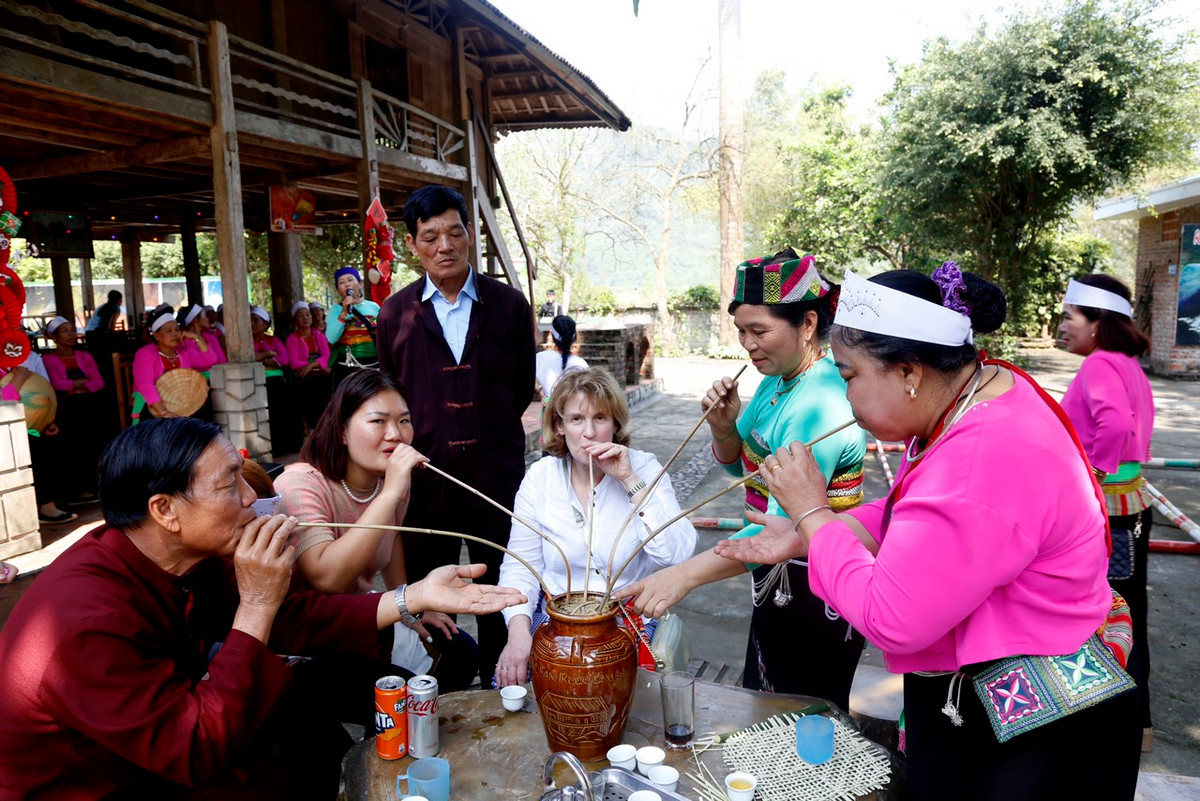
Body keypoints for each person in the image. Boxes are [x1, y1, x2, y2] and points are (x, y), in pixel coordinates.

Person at [713, 265, 1141, 800]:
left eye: (849, 377)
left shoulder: (977, 459)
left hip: (1032, 732)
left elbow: (893, 619)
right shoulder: (976, 392)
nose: (846, 399)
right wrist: (809, 535)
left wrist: (815, 517)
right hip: (1016, 691)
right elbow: (906, 514)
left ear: (909, 372)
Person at [0, 417, 524, 800]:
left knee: (306, 718)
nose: (252, 501)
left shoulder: (188, 555)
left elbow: (290, 618)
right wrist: (255, 603)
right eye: (230, 485)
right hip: (101, 783)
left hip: (176, 732)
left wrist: (413, 597)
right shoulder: (81, 620)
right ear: (165, 510)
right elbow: (190, 749)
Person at [618, 249, 866, 706]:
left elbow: (779, 529)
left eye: (760, 331)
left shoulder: (822, 402)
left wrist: (685, 576)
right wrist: (724, 425)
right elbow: (741, 470)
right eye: (741, 332)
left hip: (814, 585)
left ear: (807, 324)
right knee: (765, 701)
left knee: (799, 713)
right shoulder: (779, 378)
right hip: (773, 575)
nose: (748, 345)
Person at [376, 184, 536, 684]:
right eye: (430, 237)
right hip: (426, 482)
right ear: (413, 245)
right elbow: (391, 396)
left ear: (470, 234)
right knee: (432, 594)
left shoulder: (508, 305)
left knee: (500, 584)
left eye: (454, 232)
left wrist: (485, 431)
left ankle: (500, 684)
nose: (444, 246)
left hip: (496, 476)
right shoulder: (396, 313)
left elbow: (519, 390)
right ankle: (443, 688)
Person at [275, 370, 480, 690]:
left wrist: (410, 606)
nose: (396, 434)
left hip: (359, 609)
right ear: (341, 430)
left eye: (404, 420)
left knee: (460, 650)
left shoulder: (390, 482)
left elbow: (391, 536)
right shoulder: (299, 484)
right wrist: (390, 494)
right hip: (306, 631)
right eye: (378, 421)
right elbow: (327, 578)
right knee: (402, 687)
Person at [495, 368, 697, 688]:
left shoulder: (644, 467)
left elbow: (677, 552)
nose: (589, 432)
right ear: (559, 426)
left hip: (628, 618)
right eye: (576, 419)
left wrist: (630, 481)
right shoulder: (541, 478)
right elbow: (521, 567)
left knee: (618, 705)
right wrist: (518, 636)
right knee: (522, 696)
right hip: (557, 618)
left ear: (615, 424)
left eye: (600, 418)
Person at [1059, 274, 1156, 751]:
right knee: (1130, 610)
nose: (1062, 326)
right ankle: (1138, 724)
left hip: (1111, 509)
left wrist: (1091, 476)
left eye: (1069, 316)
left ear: (1097, 323)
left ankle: (1114, 726)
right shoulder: (1126, 363)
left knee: (1107, 613)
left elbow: (1114, 424)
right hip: (1132, 503)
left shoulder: (1099, 366)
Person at [42, 315, 109, 506]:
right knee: (71, 445)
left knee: (92, 441)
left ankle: (91, 487)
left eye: (72, 330)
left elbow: (99, 382)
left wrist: (75, 386)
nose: (72, 334)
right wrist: (81, 383)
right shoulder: (48, 359)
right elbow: (56, 384)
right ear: (54, 336)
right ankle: (74, 491)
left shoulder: (85, 356)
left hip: (87, 404)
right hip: (65, 408)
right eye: (65, 331)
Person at [131, 306, 203, 421]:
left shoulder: (183, 350)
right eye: (169, 331)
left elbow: (210, 360)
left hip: (181, 403)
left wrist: (196, 337)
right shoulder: (144, 354)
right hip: (153, 407)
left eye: (177, 329)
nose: (175, 334)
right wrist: (164, 412)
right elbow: (145, 385)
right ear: (156, 335)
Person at [252, 305, 301, 454]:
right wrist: (267, 354)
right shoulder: (248, 342)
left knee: (283, 413)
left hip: (276, 381)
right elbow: (250, 357)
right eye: (251, 321)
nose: (252, 324)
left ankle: (288, 448)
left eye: (256, 320)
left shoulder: (273, 340)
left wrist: (262, 360)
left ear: (265, 324)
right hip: (258, 381)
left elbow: (284, 359)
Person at [284, 300, 332, 434]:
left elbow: (327, 355)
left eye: (307, 314)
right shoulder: (292, 339)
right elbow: (294, 362)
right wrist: (318, 364)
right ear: (295, 320)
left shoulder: (319, 335)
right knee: (307, 404)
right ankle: (311, 432)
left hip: (319, 377)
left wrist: (311, 365)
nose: (305, 318)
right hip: (304, 379)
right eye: (300, 315)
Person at [326, 267, 379, 386]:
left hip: (374, 365)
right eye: (341, 282)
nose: (346, 284)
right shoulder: (336, 310)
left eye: (350, 280)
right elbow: (331, 338)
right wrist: (343, 314)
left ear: (359, 284)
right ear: (338, 290)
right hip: (348, 367)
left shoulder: (374, 307)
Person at [536, 315, 587, 400]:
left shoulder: (540, 358)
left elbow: (525, 376)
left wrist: (540, 390)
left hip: (549, 408)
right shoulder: (581, 364)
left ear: (552, 336)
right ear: (575, 338)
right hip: (573, 410)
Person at [178, 302, 226, 371]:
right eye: (205, 316)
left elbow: (222, 361)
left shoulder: (211, 338)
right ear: (196, 319)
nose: (208, 318)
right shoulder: (183, 342)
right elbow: (209, 360)